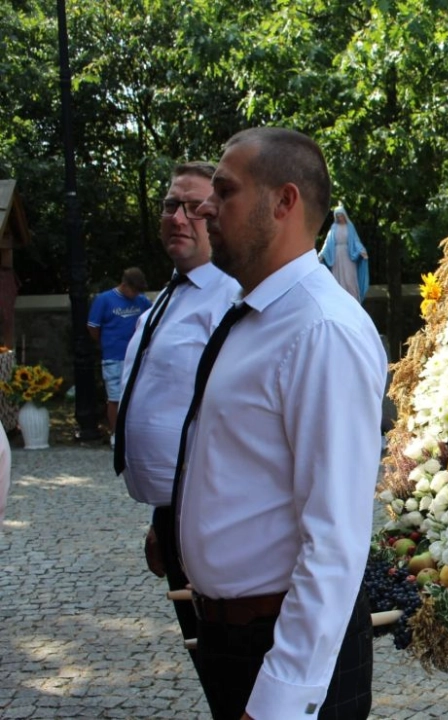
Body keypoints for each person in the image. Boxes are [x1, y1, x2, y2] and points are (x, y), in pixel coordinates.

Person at [179, 127, 387, 719]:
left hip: (282, 644)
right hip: (236, 635)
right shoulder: (256, 314)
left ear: (285, 201)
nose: (206, 208)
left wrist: (280, 699)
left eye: (225, 191)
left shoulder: (321, 329)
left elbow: (336, 537)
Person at [114, 161, 241, 666]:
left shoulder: (228, 298)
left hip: (214, 516)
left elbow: (225, 417)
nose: (179, 218)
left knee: (227, 660)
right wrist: (160, 516)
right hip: (177, 515)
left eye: (194, 207)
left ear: (218, 217)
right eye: (171, 205)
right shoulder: (167, 297)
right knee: (206, 654)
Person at [87, 267, 151, 444]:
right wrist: (107, 343)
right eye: (135, 289)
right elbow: (93, 327)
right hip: (114, 356)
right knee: (115, 397)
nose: (137, 294)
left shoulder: (142, 301)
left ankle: (135, 434)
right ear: (125, 285)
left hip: (137, 356)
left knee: (137, 396)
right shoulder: (104, 300)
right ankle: (116, 434)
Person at [318, 204, 369, 302]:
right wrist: (322, 254)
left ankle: (353, 300)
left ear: (344, 215)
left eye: (341, 215)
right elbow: (328, 242)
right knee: (337, 279)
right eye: (337, 216)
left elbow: (355, 241)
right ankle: (339, 301)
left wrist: (362, 250)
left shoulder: (350, 227)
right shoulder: (334, 227)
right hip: (337, 256)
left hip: (348, 255)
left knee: (350, 279)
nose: (339, 218)